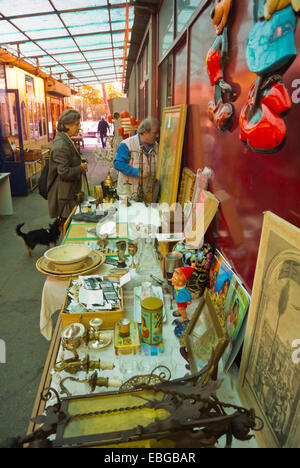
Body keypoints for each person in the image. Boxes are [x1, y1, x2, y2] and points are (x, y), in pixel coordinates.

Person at [47, 109, 88, 226]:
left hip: (69, 192)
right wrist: (80, 167)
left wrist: (80, 162)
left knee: (70, 224)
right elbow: (64, 172)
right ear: (66, 125)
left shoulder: (65, 139)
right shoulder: (61, 144)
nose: (78, 127)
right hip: (65, 195)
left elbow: (67, 162)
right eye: (76, 124)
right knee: (68, 226)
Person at [113, 117, 160, 200]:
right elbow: (118, 164)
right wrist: (137, 172)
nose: (157, 135)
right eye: (155, 133)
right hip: (129, 197)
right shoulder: (127, 144)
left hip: (150, 197)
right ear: (145, 132)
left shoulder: (156, 146)